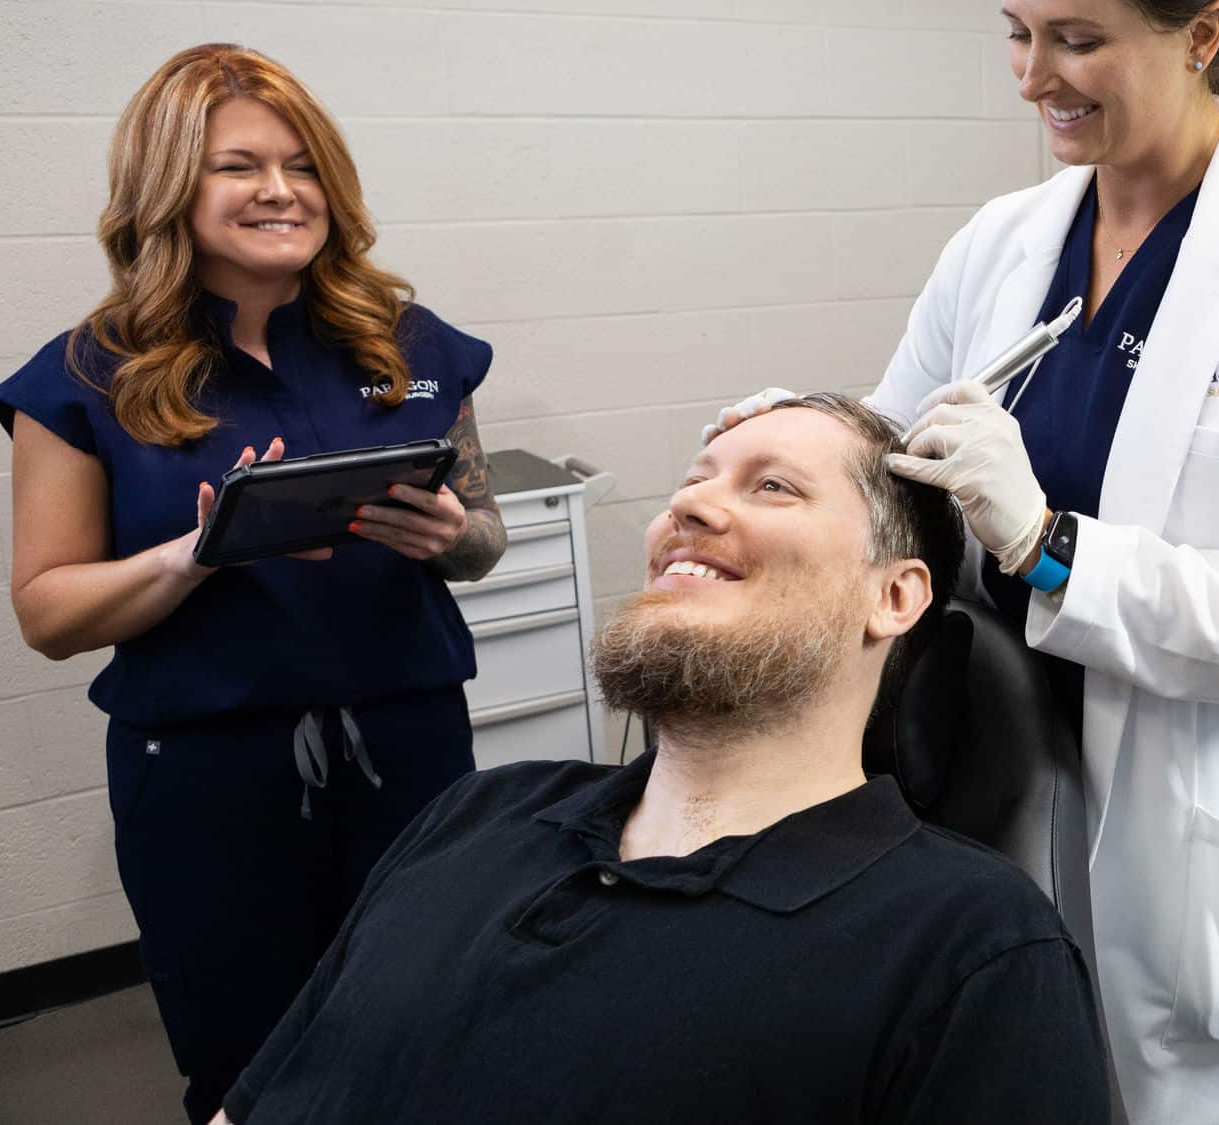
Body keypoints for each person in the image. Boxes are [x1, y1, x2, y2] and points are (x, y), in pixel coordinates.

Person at [710, 0, 1219, 1124]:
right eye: (1016, 34)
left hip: (1208, 864)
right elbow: (895, 440)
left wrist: (1047, 542)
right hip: (1007, 806)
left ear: (1202, 33)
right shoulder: (1005, 241)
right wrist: (796, 437)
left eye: (1077, 40)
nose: (1035, 77)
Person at [209, 395, 1113, 1125]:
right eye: (692, 480)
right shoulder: (475, 814)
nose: (686, 506)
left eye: (773, 488)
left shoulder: (971, 951)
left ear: (894, 595)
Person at [0, 44, 506, 1125]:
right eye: (239, 166)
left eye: (302, 164)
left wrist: (450, 532)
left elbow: (485, 539)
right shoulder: (87, 376)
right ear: (169, 186)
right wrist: (198, 553)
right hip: (209, 778)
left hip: (410, 744)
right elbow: (46, 613)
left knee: (426, 1022)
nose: (281, 190)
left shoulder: (408, 346)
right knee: (254, 1059)